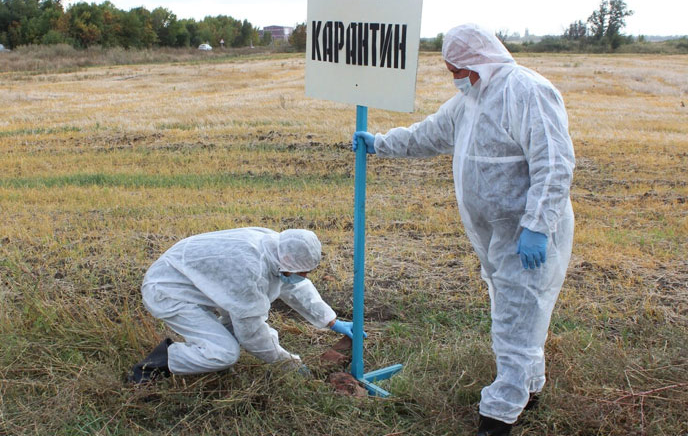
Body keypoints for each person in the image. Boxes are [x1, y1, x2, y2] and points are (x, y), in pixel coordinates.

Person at [353, 24, 575, 436]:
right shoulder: (470, 100)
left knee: (515, 320)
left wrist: (538, 225)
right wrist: (379, 143)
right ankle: (530, 388)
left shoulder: (526, 91)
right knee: (520, 316)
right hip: (495, 235)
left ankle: (498, 415)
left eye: (455, 66)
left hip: (526, 235)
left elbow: (555, 161)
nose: (452, 74)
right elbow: (429, 135)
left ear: (477, 61)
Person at [130, 227, 362, 384]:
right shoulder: (251, 270)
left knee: (234, 328)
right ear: (288, 262)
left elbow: (295, 285)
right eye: (300, 271)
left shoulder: (278, 247)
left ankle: (206, 348)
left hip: (195, 282)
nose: (302, 276)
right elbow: (252, 333)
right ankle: (154, 366)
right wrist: (288, 364)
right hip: (169, 291)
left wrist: (331, 321)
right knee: (225, 353)